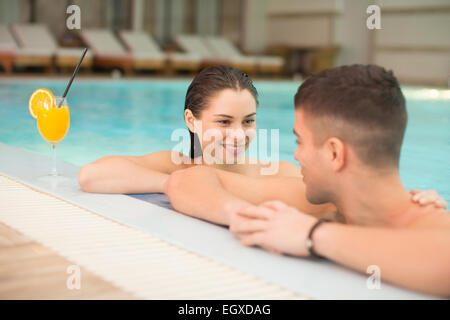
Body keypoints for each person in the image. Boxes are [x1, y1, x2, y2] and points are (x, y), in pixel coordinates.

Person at [224, 64, 450, 297]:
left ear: (334, 154)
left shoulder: (434, 225)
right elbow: (193, 183)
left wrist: (312, 235)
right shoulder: (330, 208)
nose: (296, 155)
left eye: (299, 141)